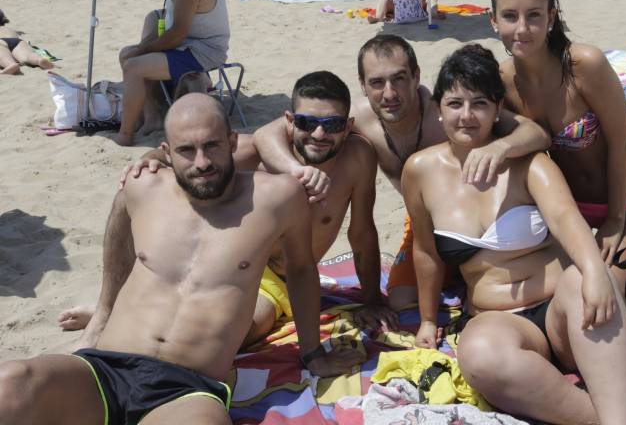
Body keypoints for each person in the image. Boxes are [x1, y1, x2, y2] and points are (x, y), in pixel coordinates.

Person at [0, 94, 363, 425]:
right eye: (186, 150)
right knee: (11, 382)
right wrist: (102, 315)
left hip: (187, 389)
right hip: (105, 370)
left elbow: (300, 269)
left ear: (233, 142)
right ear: (167, 152)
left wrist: (313, 354)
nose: (202, 162)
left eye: (212, 146)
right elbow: (118, 232)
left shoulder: (278, 198)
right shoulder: (143, 188)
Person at [60, 71, 398, 341]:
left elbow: (362, 232)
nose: (320, 134)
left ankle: (127, 312)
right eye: (308, 123)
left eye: (334, 125)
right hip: (227, 262)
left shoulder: (358, 159)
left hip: (277, 280)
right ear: (290, 120)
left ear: (349, 126)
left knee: (245, 329)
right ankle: (112, 310)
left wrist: (370, 299)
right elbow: (181, 156)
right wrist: (147, 160)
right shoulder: (254, 154)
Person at [403, 44, 626, 424]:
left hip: (562, 310)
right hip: (498, 318)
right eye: (455, 103)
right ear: (438, 108)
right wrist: (429, 320)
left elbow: (564, 217)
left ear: (498, 109)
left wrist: (594, 272)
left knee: (589, 279)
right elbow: (427, 252)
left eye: (479, 103)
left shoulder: (528, 163)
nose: (466, 115)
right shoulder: (420, 171)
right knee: (479, 355)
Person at [253, 34, 551, 310]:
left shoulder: (447, 112)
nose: (389, 93)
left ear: (416, 76)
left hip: (481, 219)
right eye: (377, 83)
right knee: (401, 300)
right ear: (363, 84)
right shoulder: (355, 122)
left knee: (484, 295)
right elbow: (266, 134)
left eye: (399, 79)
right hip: (426, 222)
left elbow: (536, 133)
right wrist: (297, 171)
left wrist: (500, 147)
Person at [489, 0, 626, 284]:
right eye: (510, 16)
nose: (522, 28)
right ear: (493, 21)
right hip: (569, 211)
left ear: (550, 17)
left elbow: (620, 144)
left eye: (534, 15)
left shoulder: (585, 64)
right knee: (569, 289)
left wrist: (614, 221)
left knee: (609, 288)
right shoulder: (503, 82)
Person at [115, 0, 229, 146]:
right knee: (133, 48)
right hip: (188, 44)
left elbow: (178, 34)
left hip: (202, 50)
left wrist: (143, 50)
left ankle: (125, 134)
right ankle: (151, 117)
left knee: (133, 68)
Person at [0, 9, 55, 75]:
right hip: (17, 41)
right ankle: (38, 60)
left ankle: (10, 64)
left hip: (1, 42)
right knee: (27, 56)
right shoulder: (8, 29)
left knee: (3, 56)